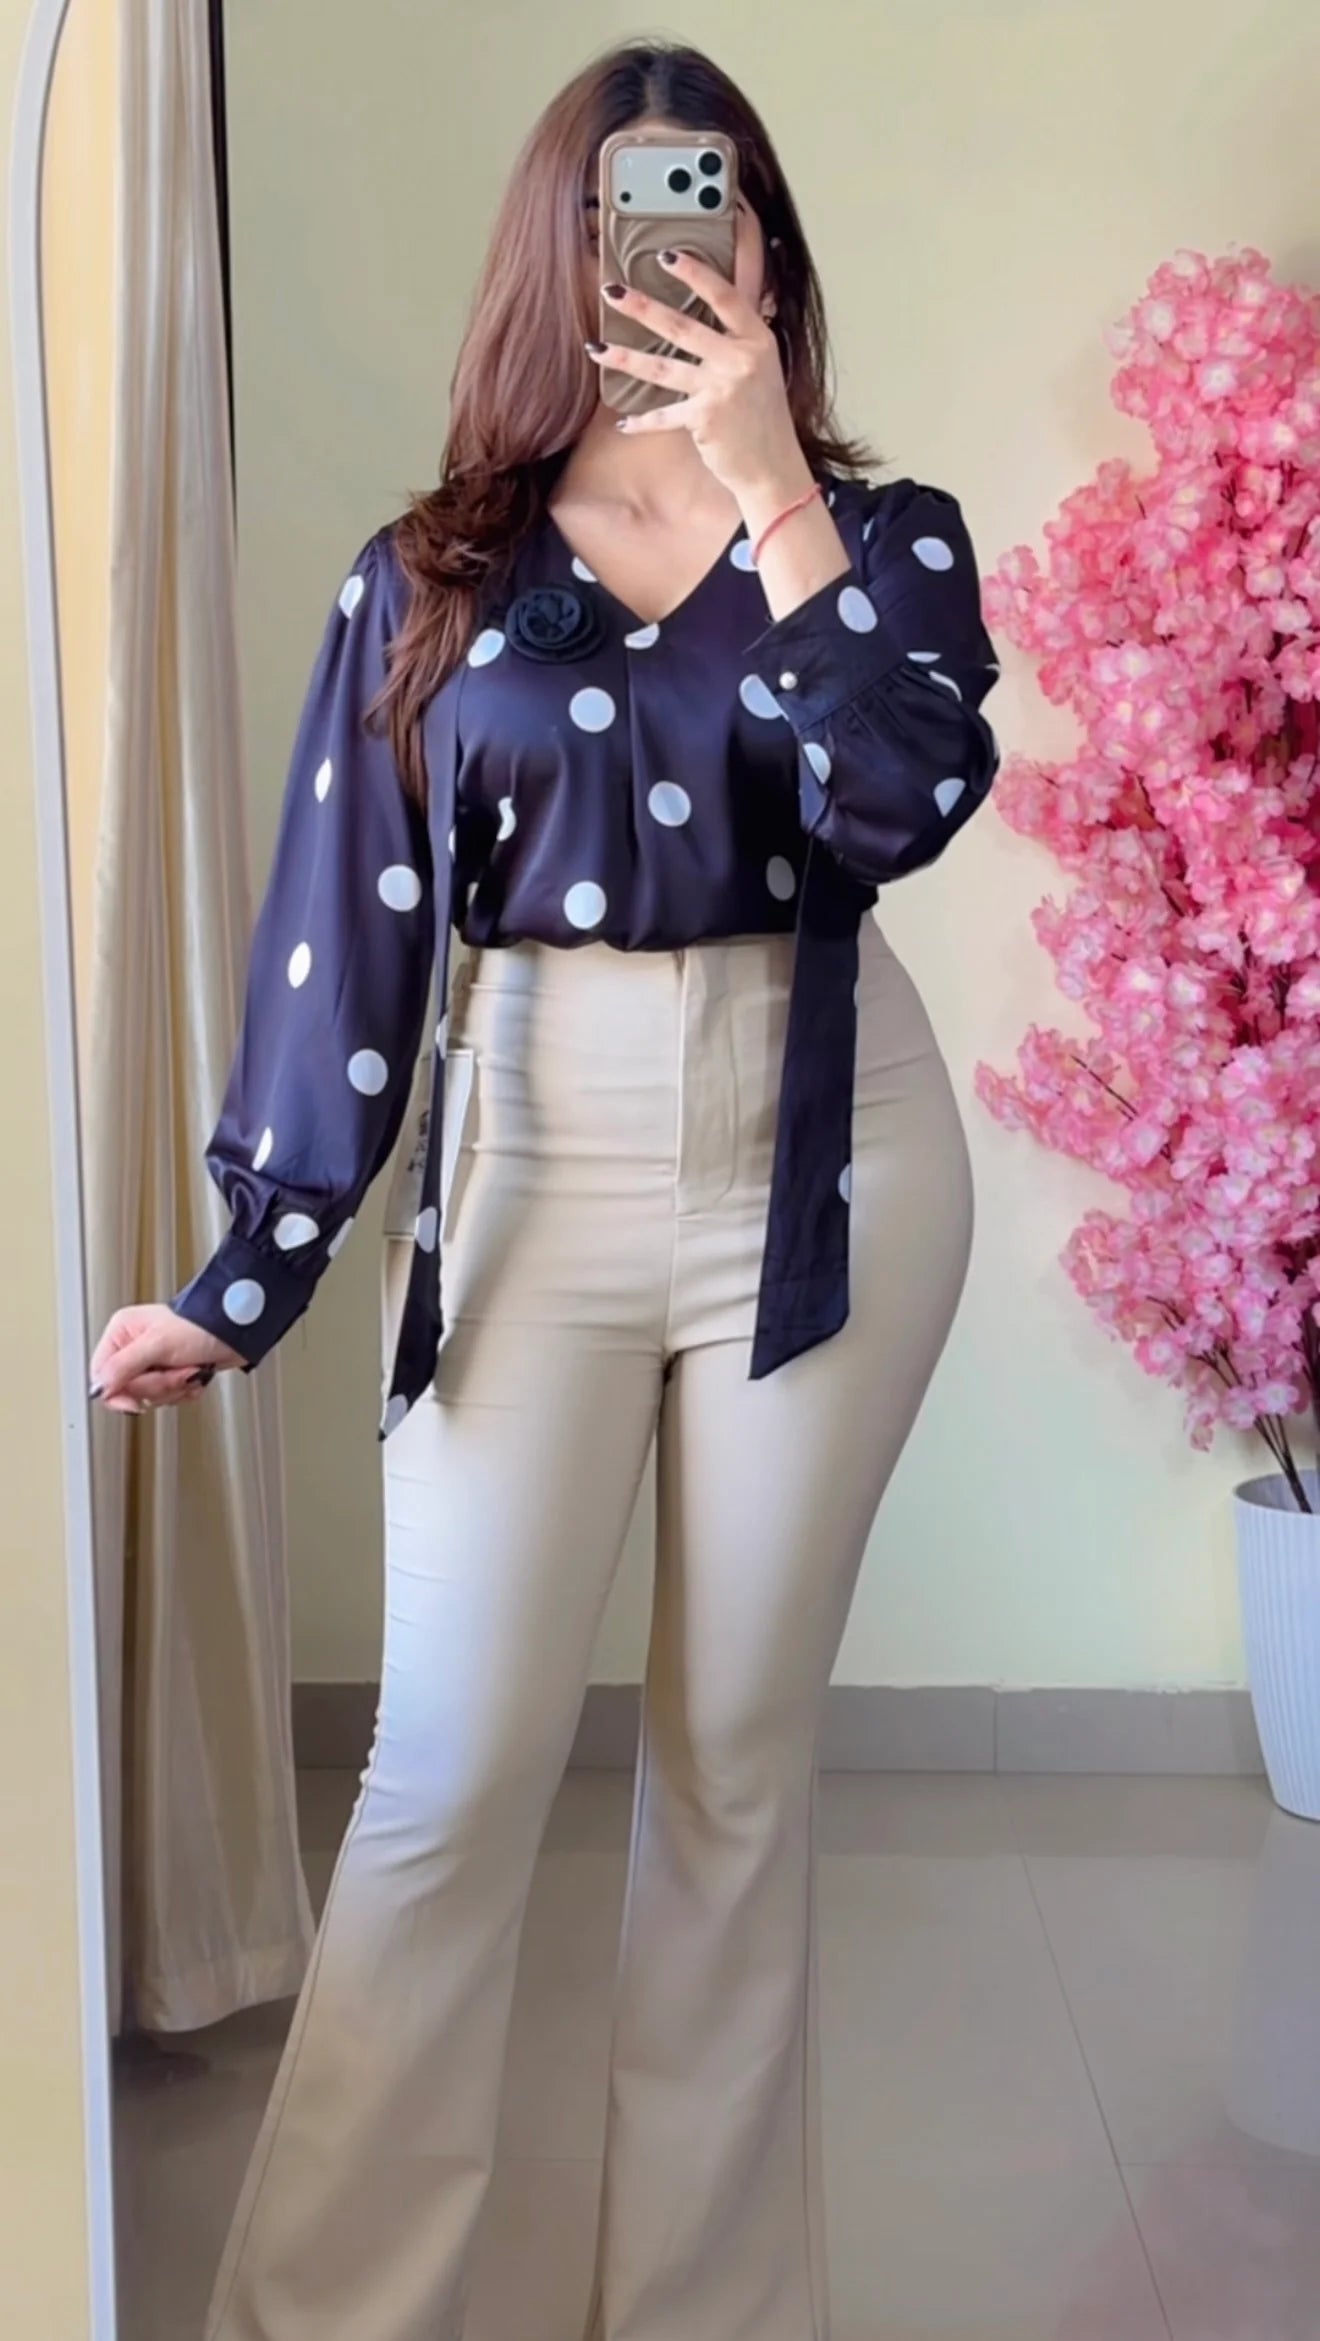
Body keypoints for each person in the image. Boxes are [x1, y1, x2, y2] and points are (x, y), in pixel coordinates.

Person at [91, 37, 998, 2341]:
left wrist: (772, 487)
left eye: (712, 208)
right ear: (556, 257)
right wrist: (253, 1265)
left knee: (735, 1778)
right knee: (449, 1769)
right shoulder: (434, 576)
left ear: (766, 251)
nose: (670, 252)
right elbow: (348, 935)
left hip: (835, 1154)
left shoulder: (886, 542)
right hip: (533, 1156)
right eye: (625, 216)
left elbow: (899, 800)